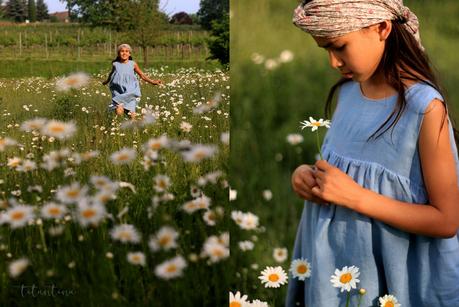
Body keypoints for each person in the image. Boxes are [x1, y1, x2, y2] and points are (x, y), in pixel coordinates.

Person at [287, 0, 459, 306]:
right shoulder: (348, 93)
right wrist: (307, 177)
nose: (333, 62)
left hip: (394, 284)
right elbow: (340, 172)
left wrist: (355, 197)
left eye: (339, 46)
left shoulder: (424, 108)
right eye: (324, 49)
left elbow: (446, 221)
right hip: (337, 275)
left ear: (381, 28)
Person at [102, 43, 162, 118]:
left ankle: (133, 128)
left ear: (129, 54)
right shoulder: (115, 64)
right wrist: (107, 81)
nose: (124, 53)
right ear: (118, 53)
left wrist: (153, 82)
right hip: (118, 90)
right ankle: (120, 126)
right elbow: (111, 74)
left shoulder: (132, 64)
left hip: (130, 90)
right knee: (119, 109)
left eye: (127, 51)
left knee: (131, 112)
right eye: (122, 51)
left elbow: (142, 75)